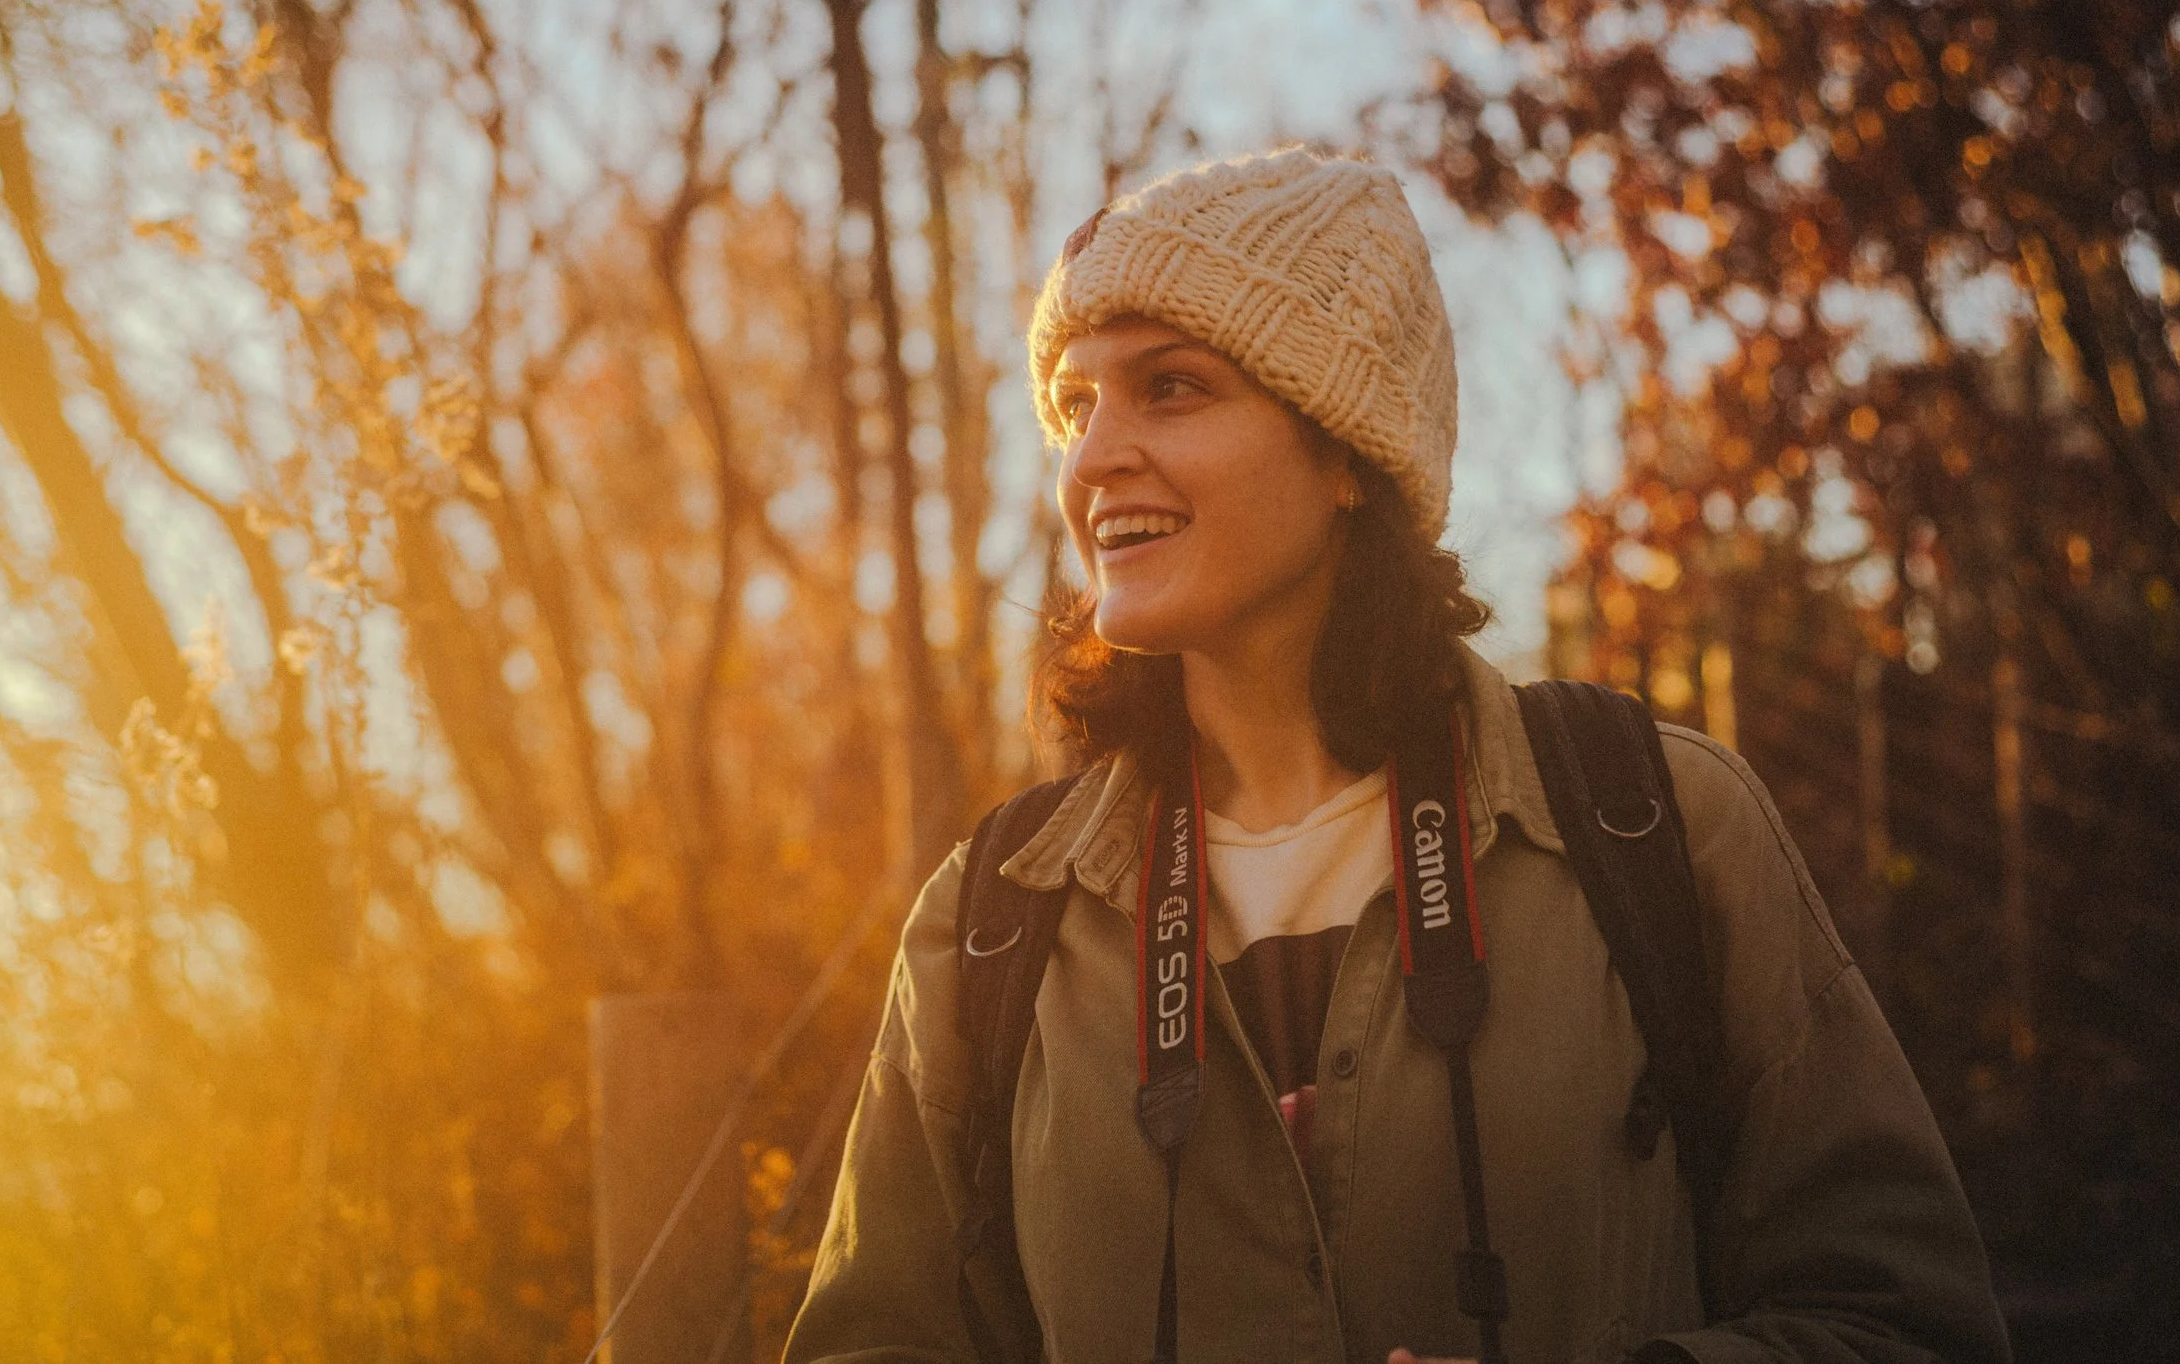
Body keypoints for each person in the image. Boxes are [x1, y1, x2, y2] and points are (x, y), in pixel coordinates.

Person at [782, 148, 2011, 1364]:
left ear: (1345, 456)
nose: (1092, 458)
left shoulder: (1655, 826)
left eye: (1170, 388)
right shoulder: (995, 921)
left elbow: (1906, 1323)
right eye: (1074, 404)